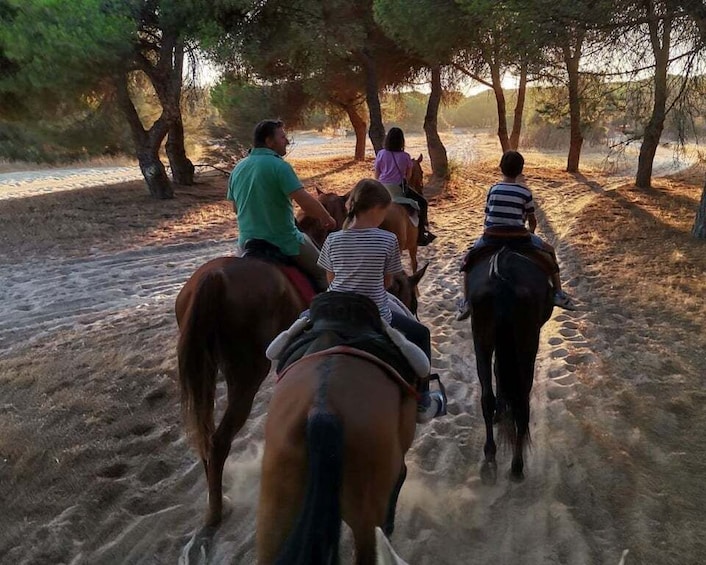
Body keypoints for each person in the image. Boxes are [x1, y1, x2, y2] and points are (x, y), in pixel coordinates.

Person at [317, 178, 446, 423]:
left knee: (300, 328)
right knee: (420, 334)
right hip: (373, 313)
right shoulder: (388, 241)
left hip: (333, 311)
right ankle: (424, 402)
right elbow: (387, 283)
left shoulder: (332, 240)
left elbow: (330, 278)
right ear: (376, 210)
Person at [456, 150, 576, 321]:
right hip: (519, 237)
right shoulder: (525, 192)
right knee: (550, 253)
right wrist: (531, 233)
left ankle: (466, 300)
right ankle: (558, 293)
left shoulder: (493, 189)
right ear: (521, 170)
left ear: (500, 168)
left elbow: (488, 214)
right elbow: (532, 220)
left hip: (491, 236)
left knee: (468, 260)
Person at [226, 119, 336, 291]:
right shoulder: (280, 166)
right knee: (324, 273)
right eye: (282, 137)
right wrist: (326, 217)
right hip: (283, 240)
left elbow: (235, 208)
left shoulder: (238, 168)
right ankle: (327, 312)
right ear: (269, 141)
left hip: (246, 241)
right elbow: (305, 202)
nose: (287, 141)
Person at [374, 127, 436, 246]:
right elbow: (408, 175)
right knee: (423, 203)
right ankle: (421, 234)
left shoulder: (381, 153)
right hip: (397, 188)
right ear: (401, 141)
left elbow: (377, 173)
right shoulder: (406, 156)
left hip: (382, 189)